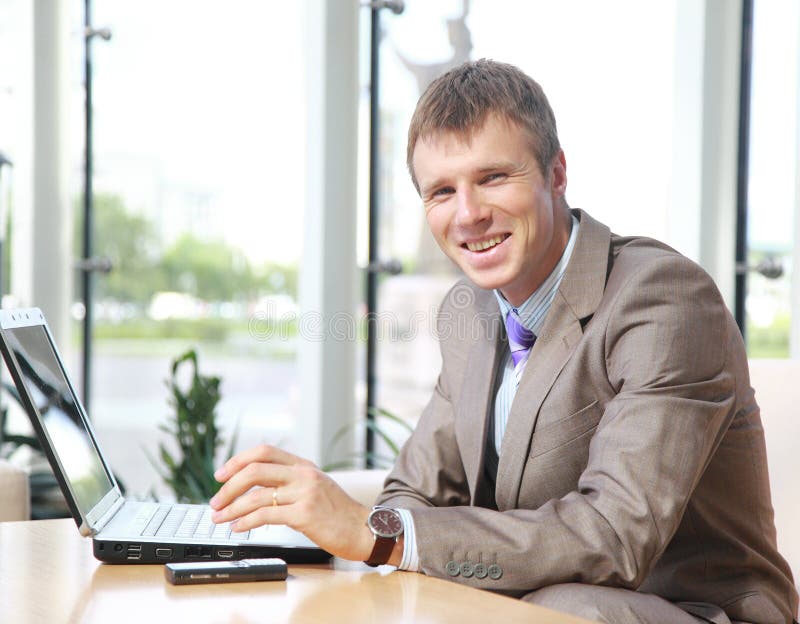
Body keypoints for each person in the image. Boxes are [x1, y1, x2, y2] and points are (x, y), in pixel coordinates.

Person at [209, 60, 798, 623]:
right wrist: (381, 532)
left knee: (557, 610)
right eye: (441, 192)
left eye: (493, 178)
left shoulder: (664, 298)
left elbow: (614, 536)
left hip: (687, 609)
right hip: (526, 600)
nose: (468, 214)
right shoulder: (468, 310)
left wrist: (382, 535)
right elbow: (415, 490)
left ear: (556, 173)